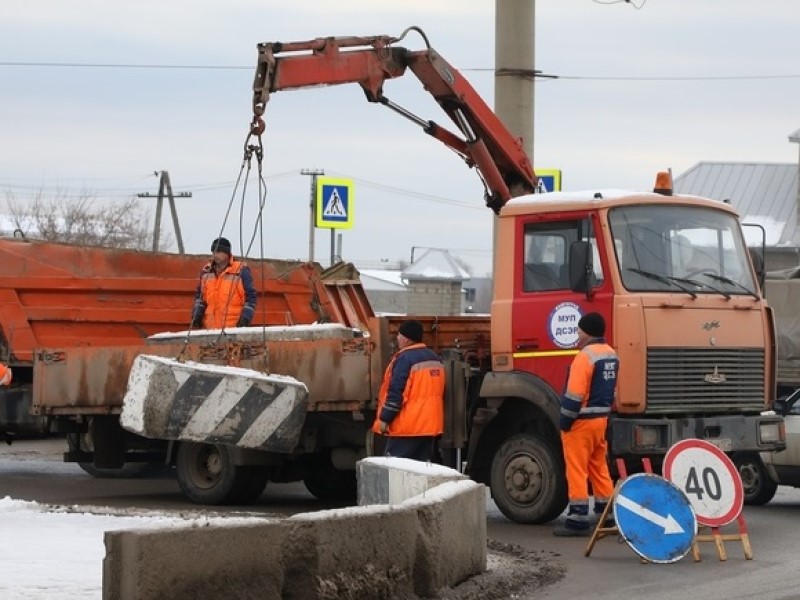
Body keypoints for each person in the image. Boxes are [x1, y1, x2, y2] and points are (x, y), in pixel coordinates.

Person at [553, 312, 619, 537]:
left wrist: (565, 420)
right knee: (599, 466)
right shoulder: (611, 354)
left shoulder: (584, 356)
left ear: (588, 331)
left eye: (580, 329)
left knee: (576, 468)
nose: (578, 333)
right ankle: (607, 515)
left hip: (581, 422)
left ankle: (578, 519)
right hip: (601, 420)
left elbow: (575, 394)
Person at [372, 320, 445, 461]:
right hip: (429, 427)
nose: (397, 338)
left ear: (407, 338)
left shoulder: (405, 359)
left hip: (408, 427)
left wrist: (385, 418)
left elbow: (396, 393)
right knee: (420, 471)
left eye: (399, 335)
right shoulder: (435, 358)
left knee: (394, 469)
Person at [191, 237, 257, 330]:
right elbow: (200, 297)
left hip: (233, 329)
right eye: (213, 252)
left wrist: (245, 319)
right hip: (209, 329)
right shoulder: (206, 271)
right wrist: (197, 314)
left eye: (218, 252)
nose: (214, 255)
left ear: (227, 253)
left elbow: (250, 298)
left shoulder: (240, 271)